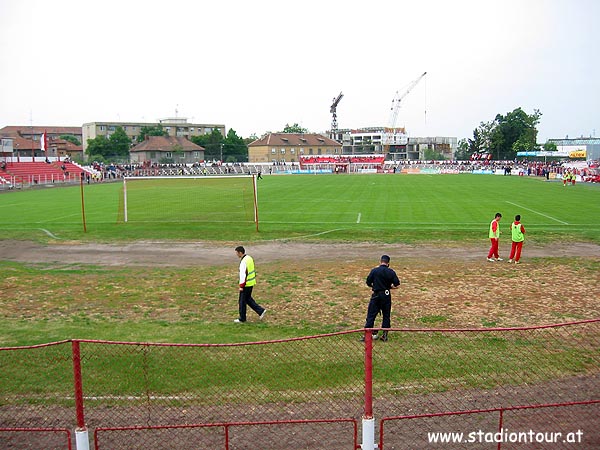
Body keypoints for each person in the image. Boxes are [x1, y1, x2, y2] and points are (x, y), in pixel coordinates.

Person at [362, 255, 400, 342]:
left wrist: (375, 286)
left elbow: (368, 282)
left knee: (371, 315)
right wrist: (389, 287)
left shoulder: (374, 271)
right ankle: (385, 335)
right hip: (386, 295)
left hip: (376, 295)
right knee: (386, 316)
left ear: (381, 261)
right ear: (388, 263)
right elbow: (397, 284)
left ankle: (367, 335)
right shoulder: (391, 272)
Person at [234, 246, 267, 323]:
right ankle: (260, 311)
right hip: (251, 282)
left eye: (236, 253)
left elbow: (243, 275)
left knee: (242, 301)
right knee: (248, 299)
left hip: (246, 284)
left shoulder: (243, 262)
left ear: (240, 252)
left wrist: (241, 286)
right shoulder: (249, 258)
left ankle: (242, 318)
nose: (236, 255)